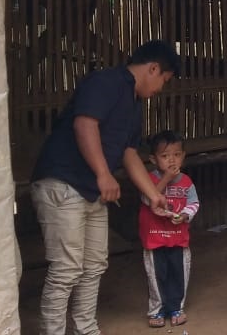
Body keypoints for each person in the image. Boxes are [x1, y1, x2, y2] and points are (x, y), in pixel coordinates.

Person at [29, 39, 180, 335]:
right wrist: (103, 173)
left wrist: (153, 196)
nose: (161, 89)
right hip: (63, 184)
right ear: (153, 68)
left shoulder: (135, 105)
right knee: (66, 270)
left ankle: (87, 329)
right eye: (164, 80)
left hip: (93, 191)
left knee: (95, 264)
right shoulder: (105, 82)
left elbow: (128, 153)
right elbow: (85, 124)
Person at [139, 130, 200, 328]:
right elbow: (148, 199)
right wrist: (164, 179)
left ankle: (176, 308)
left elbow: (194, 203)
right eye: (165, 156)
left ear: (183, 156)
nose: (171, 160)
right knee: (157, 275)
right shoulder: (147, 179)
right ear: (153, 159)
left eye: (176, 155)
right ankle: (157, 310)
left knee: (178, 273)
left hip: (178, 237)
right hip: (154, 238)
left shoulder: (187, 182)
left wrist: (185, 215)